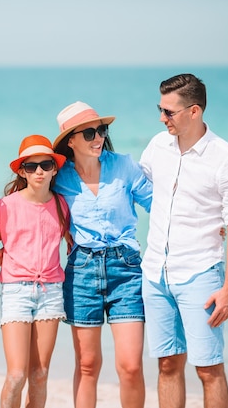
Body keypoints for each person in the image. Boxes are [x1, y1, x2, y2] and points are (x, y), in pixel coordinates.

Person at [139, 73, 228, 408]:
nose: (161, 118)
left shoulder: (226, 159)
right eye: (160, 109)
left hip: (200, 274)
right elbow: (142, 186)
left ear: (194, 111)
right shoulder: (158, 146)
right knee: (167, 364)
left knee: (208, 368)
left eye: (168, 112)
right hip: (155, 273)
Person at [52, 101, 152, 408]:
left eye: (102, 130)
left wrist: (209, 222)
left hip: (126, 269)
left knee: (131, 366)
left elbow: (160, 206)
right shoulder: (59, 178)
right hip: (81, 272)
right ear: (71, 140)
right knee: (87, 365)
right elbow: (33, 212)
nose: (98, 138)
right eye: (89, 133)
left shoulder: (124, 165)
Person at [0, 135, 69, 408]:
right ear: (22, 171)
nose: (39, 171)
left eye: (45, 165)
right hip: (16, 291)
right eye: (32, 166)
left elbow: (73, 244)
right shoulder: (5, 206)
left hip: (51, 292)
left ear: (54, 169)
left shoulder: (62, 205)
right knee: (16, 375)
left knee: (40, 374)